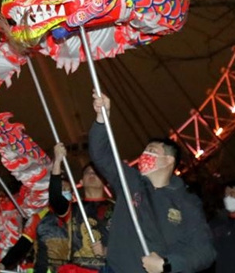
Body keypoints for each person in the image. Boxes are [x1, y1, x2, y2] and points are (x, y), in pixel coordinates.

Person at [90, 92, 216, 273]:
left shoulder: (186, 203)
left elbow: (204, 250)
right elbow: (101, 155)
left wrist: (168, 264)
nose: (144, 155)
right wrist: (102, 119)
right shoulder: (129, 182)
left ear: (168, 161)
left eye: (151, 150)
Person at [50, 143, 113, 272]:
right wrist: (57, 162)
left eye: (96, 173)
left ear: (105, 181)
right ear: (81, 181)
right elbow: (55, 197)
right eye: (88, 173)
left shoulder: (116, 208)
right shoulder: (72, 208)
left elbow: (128, 240)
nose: (92, 175)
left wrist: (106, 251)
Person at [0, 179, 73, 273]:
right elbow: (23, 244)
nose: (62, 192)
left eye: (66, 189)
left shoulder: (80, 215)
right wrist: (2, 265)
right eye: (59, 189)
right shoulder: (40, 217)